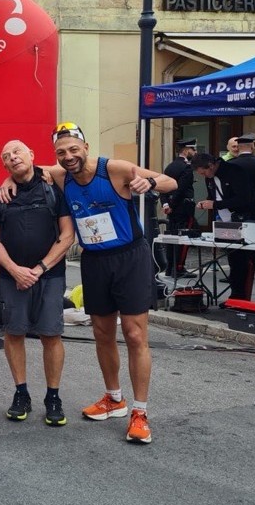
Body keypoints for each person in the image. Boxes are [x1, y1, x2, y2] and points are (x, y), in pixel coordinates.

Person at [46, 122, 176, 444]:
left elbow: (170, 181)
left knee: (134, 334)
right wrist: (8, 179)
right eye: (61, 152)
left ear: (86, 147)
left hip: (129, 258)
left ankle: (140, 411)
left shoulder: (113, 169)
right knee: (102, 333)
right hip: (94, 262)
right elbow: (29, 168)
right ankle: (113, 398)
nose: (68, 156)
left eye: (74, 149)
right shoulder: (61, 176)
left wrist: (148, 182)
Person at [0, 140, 75, 426]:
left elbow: (67, 235)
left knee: (51, 335)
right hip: (13, 280)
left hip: (49, 276)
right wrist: (14, 270)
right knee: (14, 333)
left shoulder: (53, 188)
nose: (13, 158)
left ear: (32, 155)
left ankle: (53, 397)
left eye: (17, 152)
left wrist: (39, 269)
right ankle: (21, 393)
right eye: (6, 156)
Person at [192, 153, 255, 304]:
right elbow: (214, 196)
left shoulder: (235, 172)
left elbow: (243, 199)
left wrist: (215, 205)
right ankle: (237, 297)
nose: (205, 176)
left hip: (251, 218)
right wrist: (207, 202)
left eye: (204, 172)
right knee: (235, 261)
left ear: (211, 166)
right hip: (229, 221)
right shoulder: (210, 177)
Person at [159, 138, 197, 277]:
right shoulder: (186, 167)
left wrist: (166, 204)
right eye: (193, 150)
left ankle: (170, 268)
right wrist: (172, 205)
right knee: (183, 238)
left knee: (172, 238)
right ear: (187, 150)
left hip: (172, 207)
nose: (195, 152)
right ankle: (179, 267)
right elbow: (180, 189)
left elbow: (163, 187)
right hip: (183, 207)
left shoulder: (170, 166)